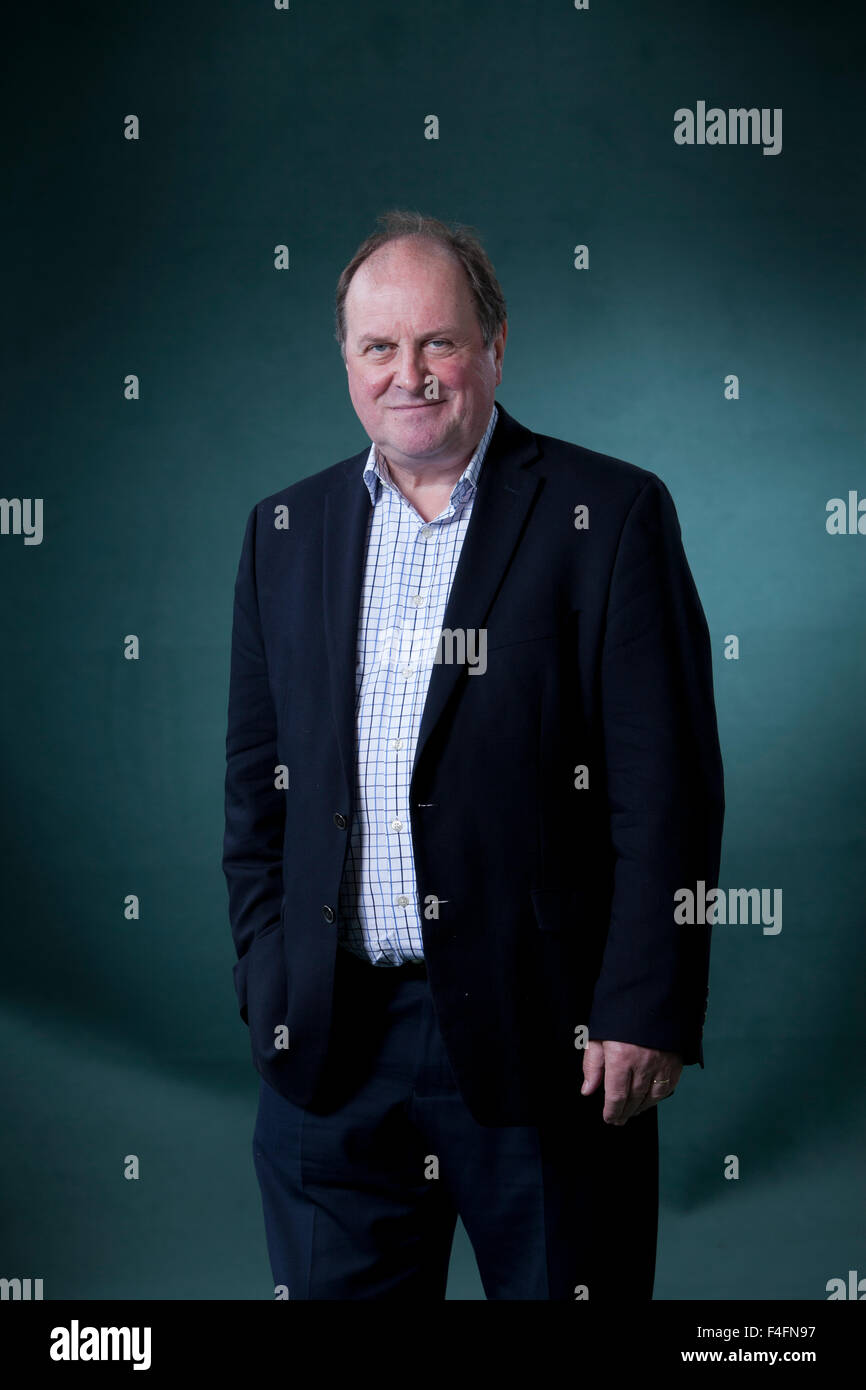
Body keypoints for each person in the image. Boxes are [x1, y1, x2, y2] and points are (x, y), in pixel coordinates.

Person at [222, 209, 725, 1300]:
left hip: (548, 1043)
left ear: (495, 346)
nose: (409, 373)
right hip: (331, 1046)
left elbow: (665, 789)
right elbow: (255, 799)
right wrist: (269, 977)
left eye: (437, 341)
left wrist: (642, 1005)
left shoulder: (608, 514)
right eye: (377, 347)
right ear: (346, 362)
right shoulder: (282, 533)